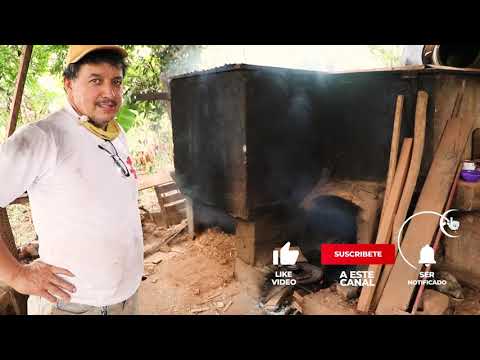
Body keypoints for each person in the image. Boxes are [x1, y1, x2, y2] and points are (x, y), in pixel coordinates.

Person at [0, 45, 144, 315]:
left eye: (116, 82)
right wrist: (17, 275)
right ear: (68, 84)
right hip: (74, 306)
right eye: (96, 81)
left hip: (126, 299)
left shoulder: (116, 133)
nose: (110, 93)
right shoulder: (43, 137)